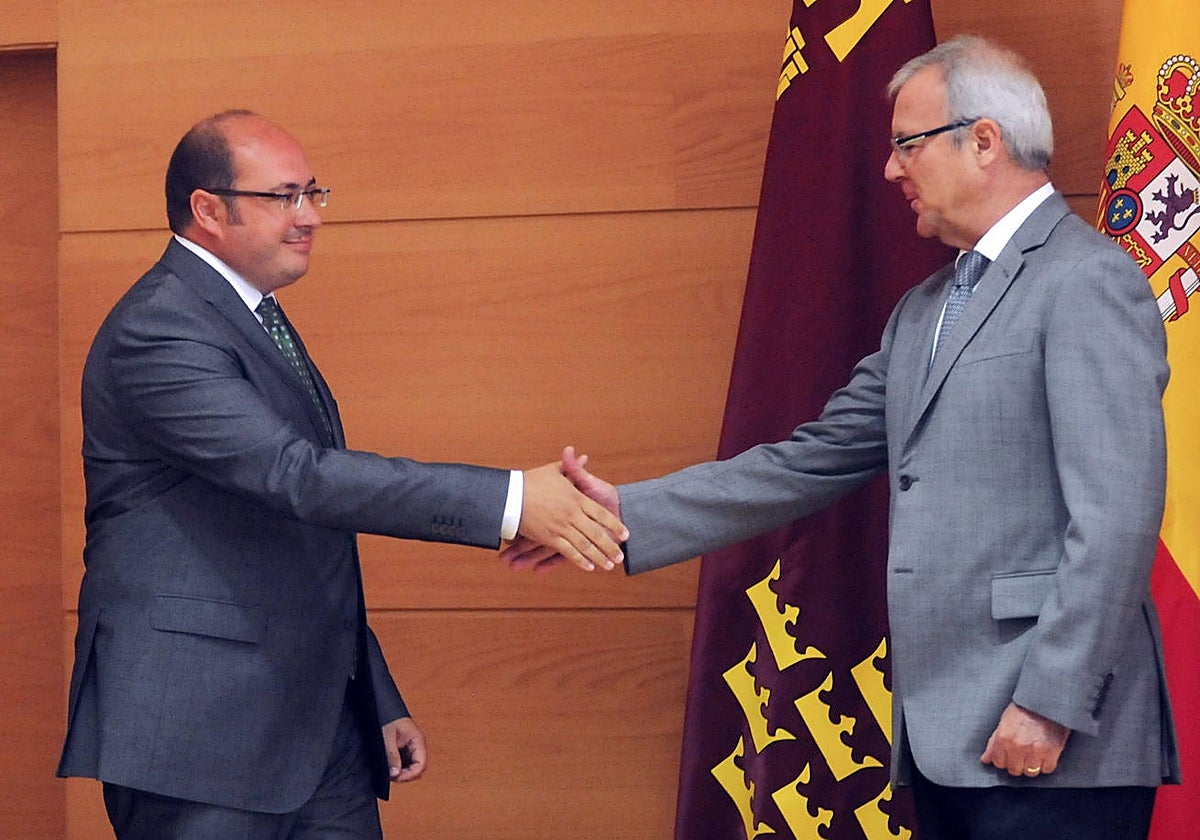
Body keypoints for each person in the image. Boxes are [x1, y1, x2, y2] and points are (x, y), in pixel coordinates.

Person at [504, 36, 1180, 839]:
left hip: (1052, 737)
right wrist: (619, 516)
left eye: (906, 144)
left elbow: (1117, 518)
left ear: (985, 141)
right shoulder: (925, 309)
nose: (891, 170)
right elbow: (806, 463)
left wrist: (1049, 702)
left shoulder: (1087, 281)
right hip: (947, 739)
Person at [57, 109, 627, 840]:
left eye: (313, 193)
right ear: (207, 209)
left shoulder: (252, 315)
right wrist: (512, 500)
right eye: (283, 196)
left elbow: (299, 535)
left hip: (318, 731)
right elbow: (298, 476)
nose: (309, 218)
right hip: (199, 734)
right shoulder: (159, 327)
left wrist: (373, 694)